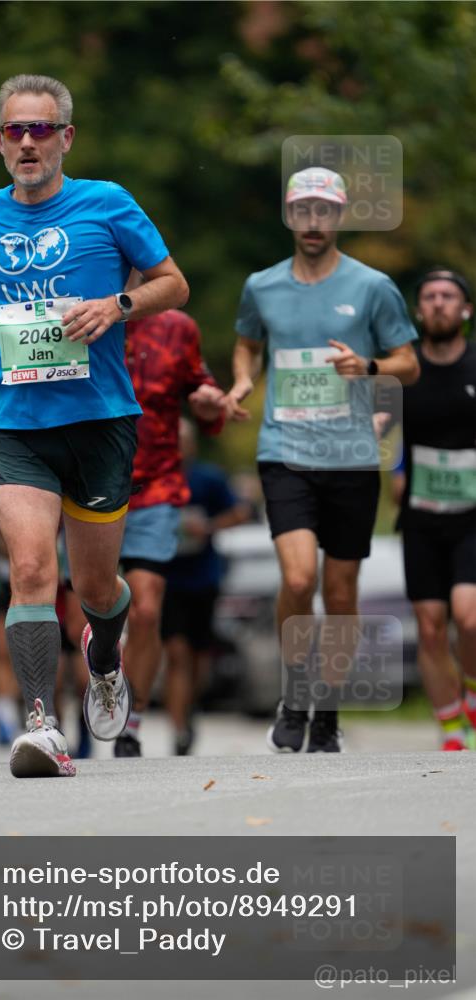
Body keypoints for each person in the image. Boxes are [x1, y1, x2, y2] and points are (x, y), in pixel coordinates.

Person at [0, 73, 189, 777]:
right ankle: (40, 727)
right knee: (32, 570)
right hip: (16, 420)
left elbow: (173, 283)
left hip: (99, 420)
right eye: (15, 131)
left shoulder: (107, 202)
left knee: (94, 589)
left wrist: (117, 305)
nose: (27, 143)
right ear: (0, 141)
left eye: (41, 129)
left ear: (66, 137)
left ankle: (104, 658)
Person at [223, 166, 419, 753]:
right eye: (303, 211)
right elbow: (247, 344)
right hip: (284, 450)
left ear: (339, 216)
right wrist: (242, 381)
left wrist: (370, 367)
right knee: (298, 577)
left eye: (324, 211)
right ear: (290, 216)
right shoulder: (262, 285)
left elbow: (409, 363)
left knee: (339, 593)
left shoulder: (373, 286)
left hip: (352, 456)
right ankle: (294, 693)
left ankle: (327, 711)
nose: (313, 222)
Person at [62, 307, 228, 759]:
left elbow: (206, 400)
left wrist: (211, 405)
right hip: (86, 484)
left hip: (154, 489)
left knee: (148, 609)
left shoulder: (176, 327)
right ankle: (104, 676)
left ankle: (129, 724)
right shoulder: (71, 312)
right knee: (81, 620)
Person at [395, 268, 476, 750]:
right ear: (419, 311)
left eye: (449, 296)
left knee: (469, 618)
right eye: (430, 296)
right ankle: (451, 729)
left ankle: (472, 695)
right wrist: (395, 469)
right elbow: (386, 429)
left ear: (465, 310)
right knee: (429, 626)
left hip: (472, 517)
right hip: (422, 516)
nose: (439, 302)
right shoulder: (406, 369)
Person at [161, 418, 250, 754]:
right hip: (167, 579)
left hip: (204, 578)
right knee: (176, 654)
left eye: (184, 441)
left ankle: (190, 709)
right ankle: (177, 729)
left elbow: (240, 512)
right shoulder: (156, 479)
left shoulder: (209, 478)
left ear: (193, 445)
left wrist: (209, 526)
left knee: (198, 657)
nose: (179, 447)